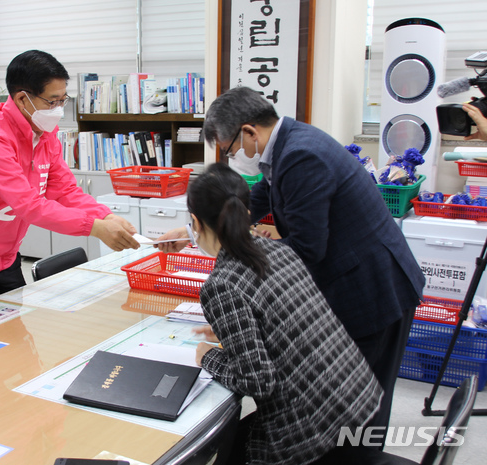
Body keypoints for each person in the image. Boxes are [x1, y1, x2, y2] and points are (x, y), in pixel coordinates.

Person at [158, 86, 425, 443]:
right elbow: (253, 201)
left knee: (361, 407)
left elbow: (305, 249)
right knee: (347, 404)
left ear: (249, 131)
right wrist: (199, 228)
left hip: (373, 288)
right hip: (357, 275)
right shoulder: (287, 144)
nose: (234, 156)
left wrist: (240, 302)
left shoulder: (301, 156)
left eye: (231, 148)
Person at [188, 163, 383, 465]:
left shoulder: (222, 284)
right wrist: (235, 332)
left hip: (314, 433)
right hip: (358, 400)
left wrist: (207, 357)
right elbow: (284, 318)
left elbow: (257, 382)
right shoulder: (276, 249)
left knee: (219, 451)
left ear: (195, 222)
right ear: (248, 211)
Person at [0, 50, 139, 311]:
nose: (58, 110)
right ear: (22, 98)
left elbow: (64, 189)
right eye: (52, 102)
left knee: (15, 333)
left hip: (5, 256)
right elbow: (29, 205)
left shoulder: (44, 133)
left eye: (63, 100)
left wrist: (105, 216)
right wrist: (93, 227)